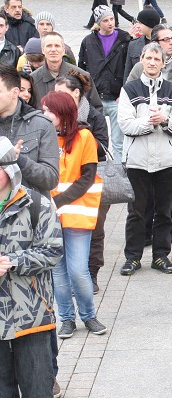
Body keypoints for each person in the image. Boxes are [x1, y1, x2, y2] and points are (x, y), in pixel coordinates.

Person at [0, 135, 65, 398]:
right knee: (1, 383)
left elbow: (53, 250)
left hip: (33, 311)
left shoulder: (36, 203)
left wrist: (12, 260)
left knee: (38, 379)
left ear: (10, 171)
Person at [40, 90, 106, 339]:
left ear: (62, 113)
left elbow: (87, 177)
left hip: (76, 214)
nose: (44, 114)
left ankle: (88, 315)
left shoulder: (84, 136)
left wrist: (57, 201)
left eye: (48, 110)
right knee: (58, 272)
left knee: (78, 270)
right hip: (50, 216)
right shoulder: (43, 136)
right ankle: (67, 318)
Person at [116, 43, 172, 276]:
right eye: (149, 58)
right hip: (137, 161)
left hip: (166, 161)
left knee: (164, 212)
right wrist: (149, 122)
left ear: (163, 62)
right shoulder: (129, 89)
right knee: (136, 213)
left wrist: (164, 120)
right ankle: (133, 258)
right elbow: (125, 124)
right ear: (142, 60)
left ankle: (161, 256)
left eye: (157, 58)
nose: (153, 62)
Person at [53, 71, 110, 294]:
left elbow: (104, 148)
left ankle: (92, 273)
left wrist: (80, 136)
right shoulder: (52, 119)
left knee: (95, 231)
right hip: (60, 190)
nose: (58, 97)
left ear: (76, 93)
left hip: (89, 188)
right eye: (55, 93)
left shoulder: (93, 116)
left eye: (63, 93)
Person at [77, 5, 131, 163]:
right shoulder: (88, 41)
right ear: (98, 23)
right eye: (105, 20)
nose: (110, 23)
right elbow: (82, 68)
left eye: (112, 19)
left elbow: (129, 67)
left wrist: (124, 92)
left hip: (117, 96)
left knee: (118, 141)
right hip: (95, 97)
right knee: (96, 138)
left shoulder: (124, 39)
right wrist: (84, 94)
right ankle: (96, 165)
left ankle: (119, 168)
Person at [0, 63, 58, 194]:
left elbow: (51, 179)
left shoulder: (41, 125)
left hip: (28, 209)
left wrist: (19, 160)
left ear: (15, 92)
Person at [31, 33, 101, 109]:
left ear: (63, 50)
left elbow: (96, 107)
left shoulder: (82, 76)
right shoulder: (33, 79)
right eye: (49, 46)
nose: (53, 50)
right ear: (43, 50)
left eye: (57, 46)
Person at [124, 8, 161, 80]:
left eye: (140, 23)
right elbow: (127, 73)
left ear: (150, 25)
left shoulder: (166, 43)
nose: (137, 26)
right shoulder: (133, 44)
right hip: (138, 88)